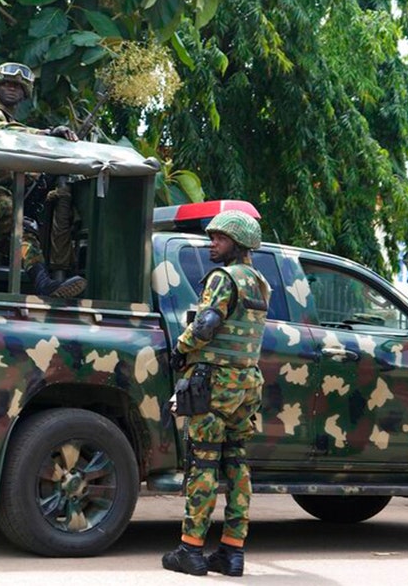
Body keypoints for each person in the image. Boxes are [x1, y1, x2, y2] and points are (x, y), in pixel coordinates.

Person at [162, 210, 268, 577]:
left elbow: (207, 323)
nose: (213, 244)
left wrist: (181, 348)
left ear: (236, 244)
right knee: (237, 463)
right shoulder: (259, 282)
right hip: (247, 383)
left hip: (216, 382)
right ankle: (232, 552)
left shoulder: (225, 278)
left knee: (204, 462)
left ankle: (190, 550)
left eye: (219, 239)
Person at [0, 62, 85, 297]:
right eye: (6, 84)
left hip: (10, 196)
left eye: (18, 86)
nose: (12, 88)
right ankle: (43, 283)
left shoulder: (20, 128)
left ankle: (45, 280)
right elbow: (1, 132)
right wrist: (47, 134)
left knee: (28, 225)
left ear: (24, 94)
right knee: (15, 217)